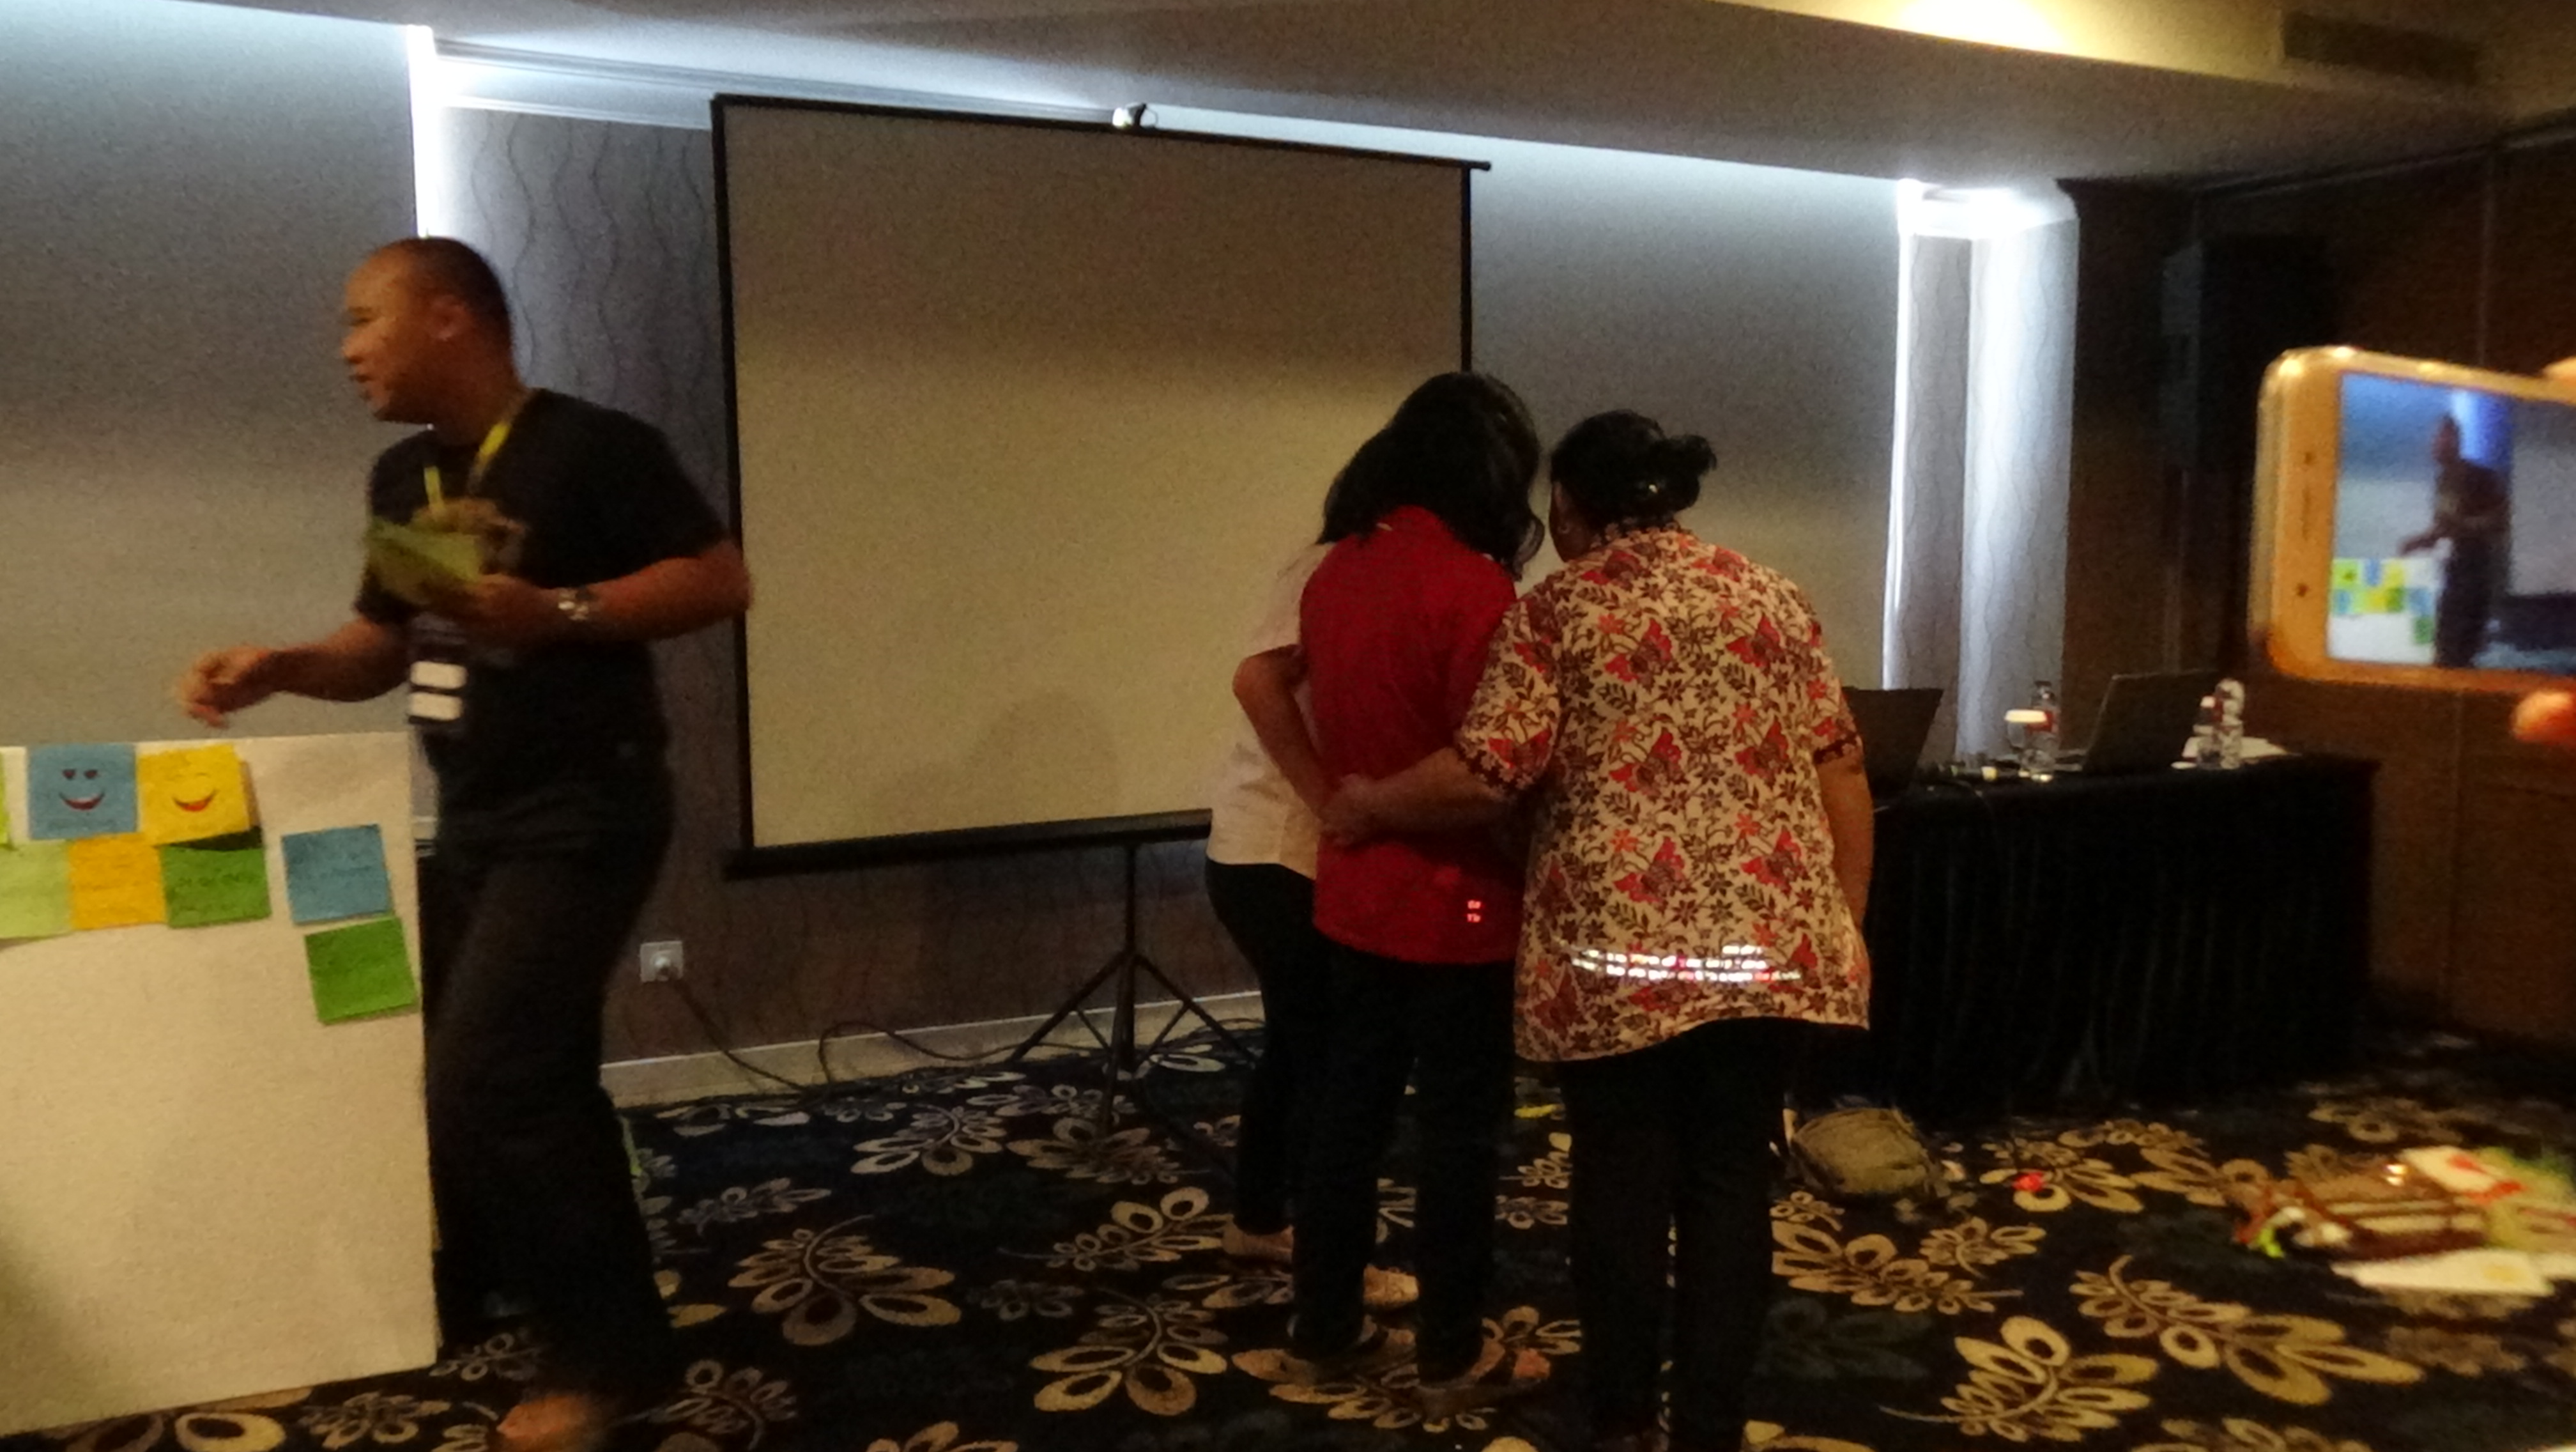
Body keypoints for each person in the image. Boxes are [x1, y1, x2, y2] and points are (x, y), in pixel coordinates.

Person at [178, 238, 751, 1452]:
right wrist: (283, 666)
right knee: (529, 1077)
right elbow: (385, 648)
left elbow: (718, 581)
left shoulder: (591, 448)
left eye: (363, 320)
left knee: (487, 1078)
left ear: (449, 316)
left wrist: (559, 609)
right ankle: (562, 1306)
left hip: (585, 808)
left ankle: (605, 1359)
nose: (347, 350)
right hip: (478, 815)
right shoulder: (405, 477)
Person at [1327, 410, 1874, 1452]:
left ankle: (1623, 1417)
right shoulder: (1772, 595)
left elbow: (1487, 773)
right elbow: (1840, 763)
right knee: (1729, 1181)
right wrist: (1843, 924)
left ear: (1572, 510)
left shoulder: (1557, 611)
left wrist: (1367, 803)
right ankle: (1710, 1428)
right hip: (1767, 951)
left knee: (1621, 1177)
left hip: (1621, 955)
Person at [1287, 371, 1546, 1417]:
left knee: (1344, 1117)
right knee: (1458, 1135)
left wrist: (1352, 806)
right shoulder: (1473, 588)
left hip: (1353, 895)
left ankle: (1324, 1322)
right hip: (1457, 906)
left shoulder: (1335, 571)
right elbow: (1485, 776)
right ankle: (1450, 1350)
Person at [1202, 464, 1418, 1313]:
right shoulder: (1331, 566)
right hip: (1279, 852)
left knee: (1300, 1049)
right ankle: (1333, 1269)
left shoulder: (1347, 564)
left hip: (1272, 850)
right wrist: (1329, 798)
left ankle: (1261, 1221)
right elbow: (1256, 679)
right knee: (1331, 1062)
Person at [2398, 415, 2508, 668]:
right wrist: (2420, 541)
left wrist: (2458, 527)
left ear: (2454, 441)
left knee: (2459, 645)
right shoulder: (2444, 479)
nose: (2433, 445)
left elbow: (2497, 523)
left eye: (2440, 438)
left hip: (2477, 570)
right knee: (2446, 645)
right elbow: (2443, 528)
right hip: (2455, 568)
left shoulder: (2479, 477)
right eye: (2434, 439)